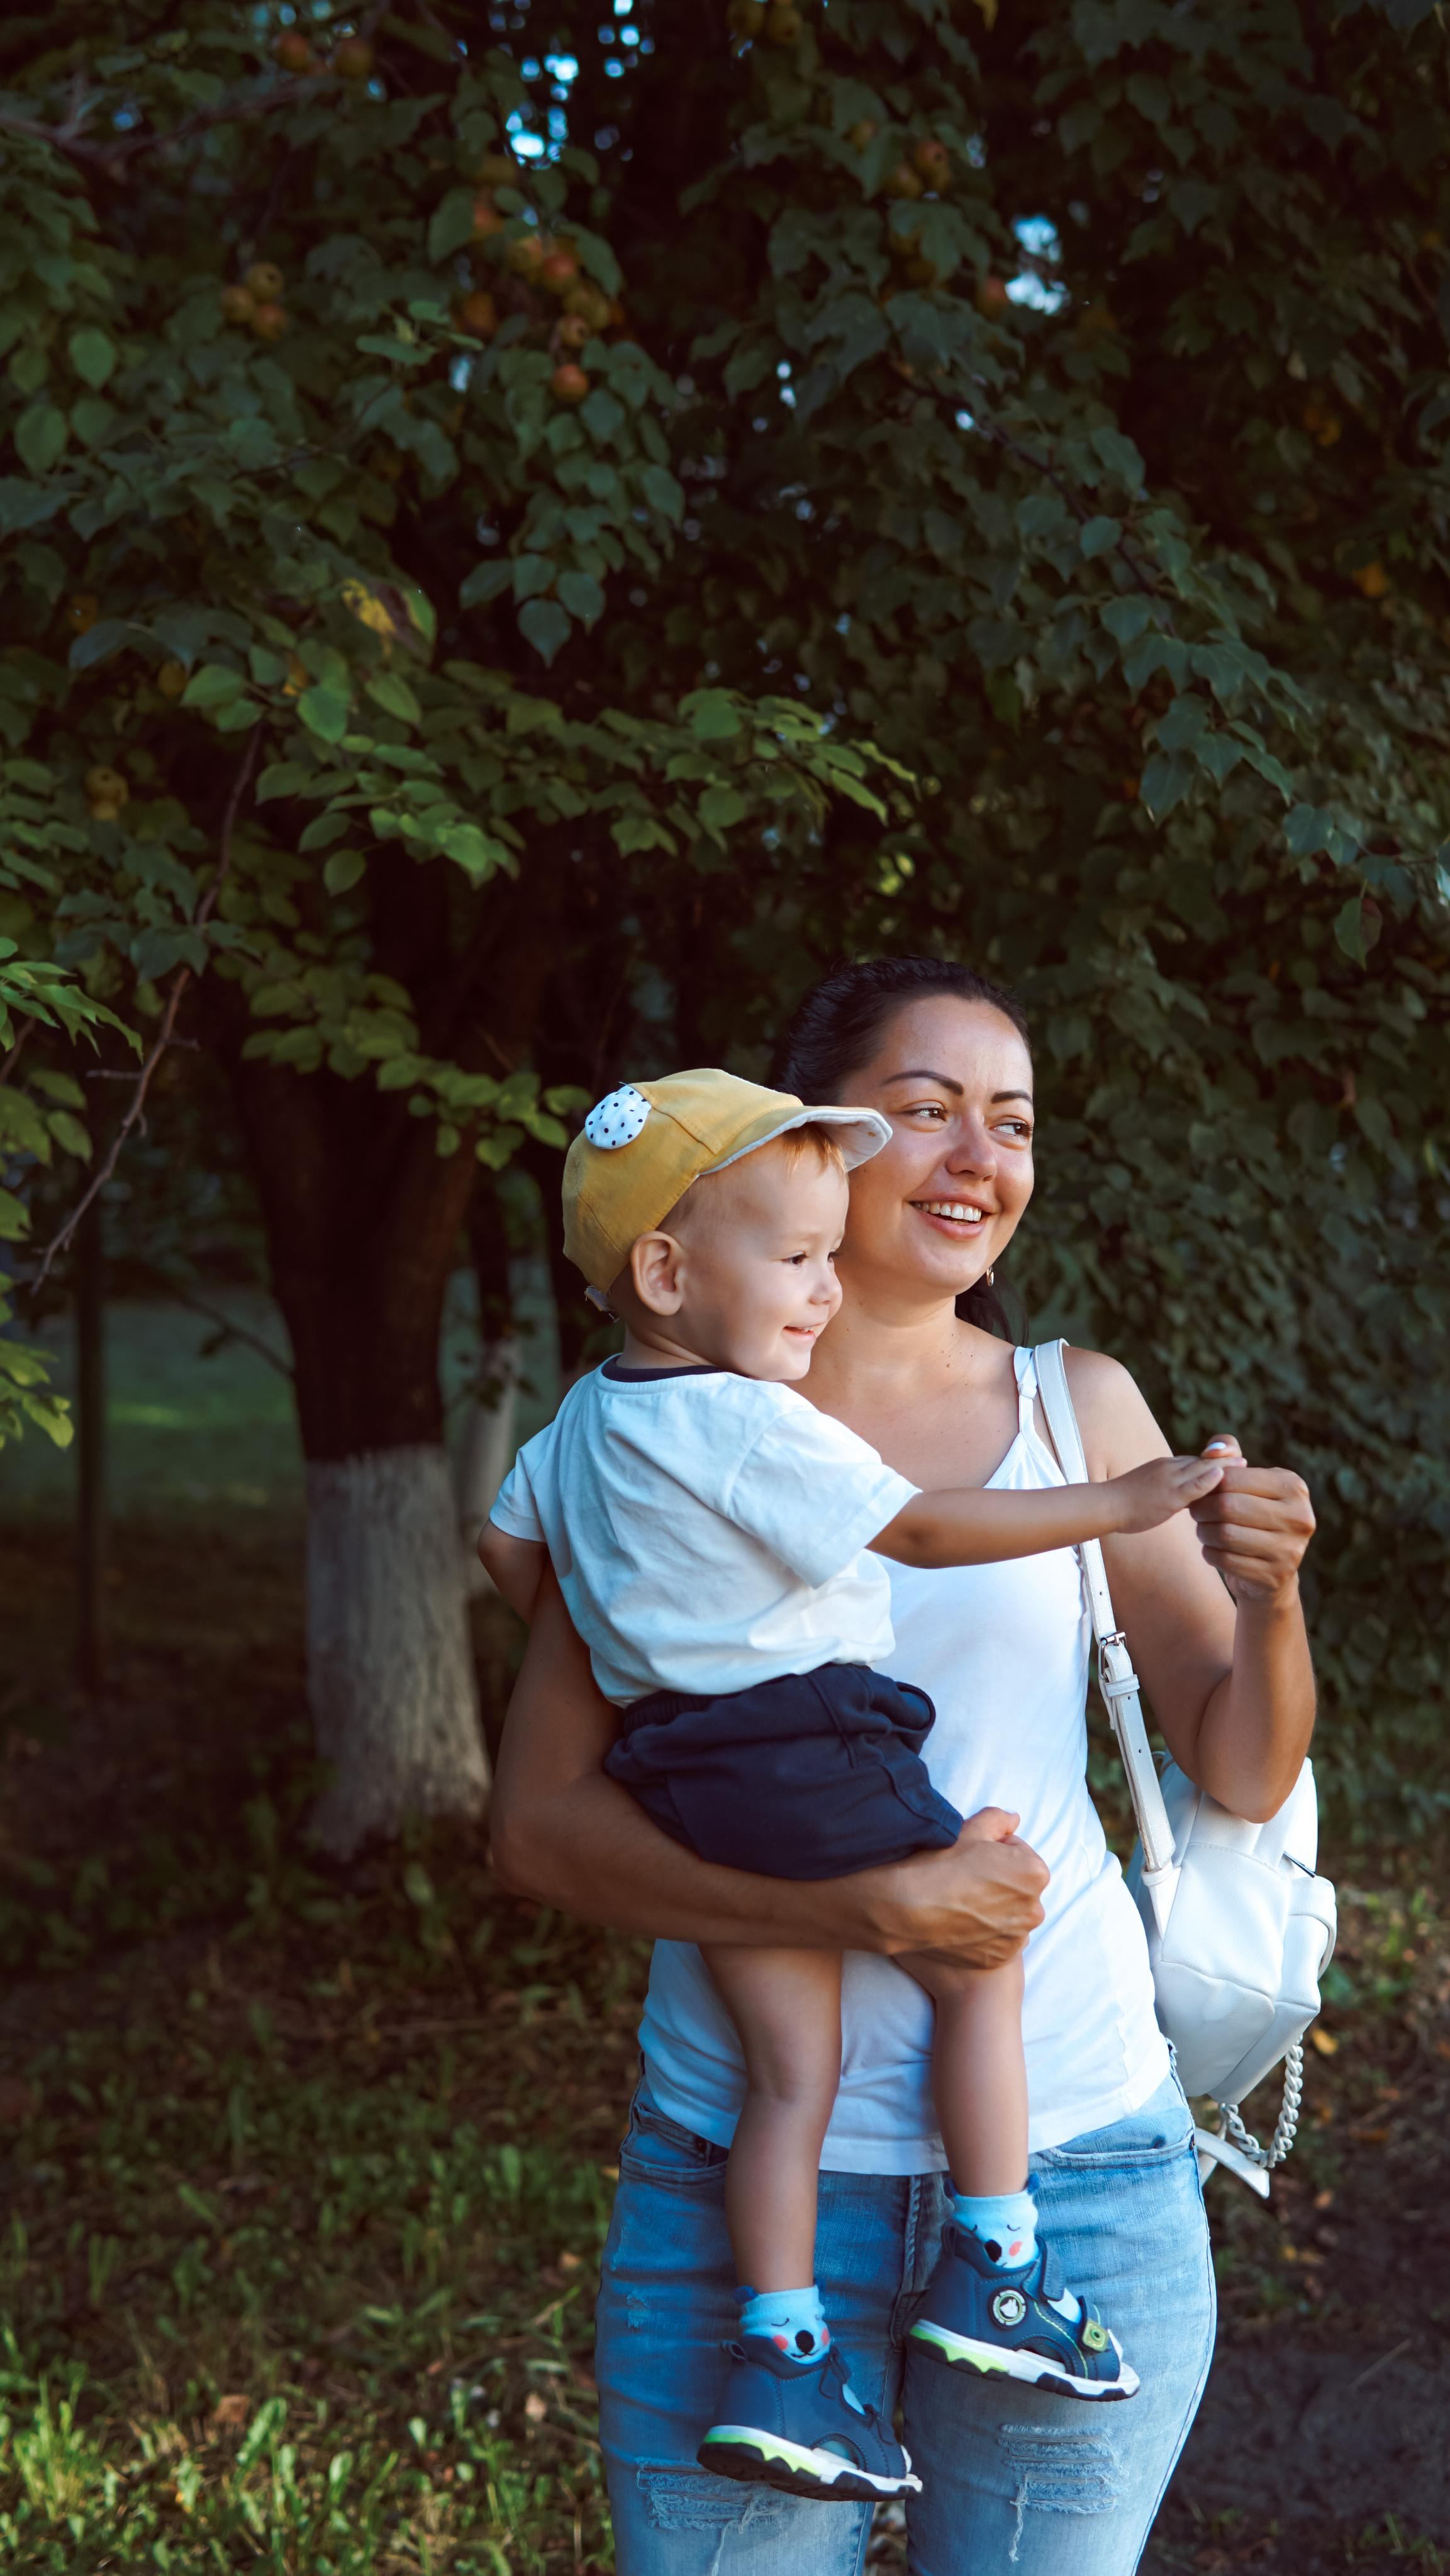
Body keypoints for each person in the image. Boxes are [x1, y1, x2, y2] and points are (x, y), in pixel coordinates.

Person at [488, 958, 1318, 2575]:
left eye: (1007, 1121)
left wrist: (1272, 1600)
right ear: (816, 1143)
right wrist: (884, 1907)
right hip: (734, 2196)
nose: (974, 1157)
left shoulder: (1073, 1411)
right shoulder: (662, 1438)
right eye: (923, 1109)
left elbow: (1239, 1754)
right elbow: (535, 1830)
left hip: (1075, 2175)